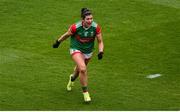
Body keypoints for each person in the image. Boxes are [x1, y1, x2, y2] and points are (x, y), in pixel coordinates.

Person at [52, 8, 104, 102]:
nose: (90, 21)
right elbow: (67, 35)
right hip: (76, 49)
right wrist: (58, 42)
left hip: (88, 51)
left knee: (78, 71)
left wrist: (101, 51)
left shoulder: (96, 27)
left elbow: (100, 41)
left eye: (91, 18)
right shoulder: (76, 27)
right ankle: (85, 93)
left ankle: (72, 78)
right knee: (83, 69)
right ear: (83, 19)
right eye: (88, 19)